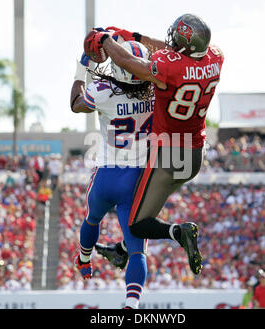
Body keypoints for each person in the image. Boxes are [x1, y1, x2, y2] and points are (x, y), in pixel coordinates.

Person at [89, 13, 224, 275]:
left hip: (168, 155)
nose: (170, 40)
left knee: (137, 223)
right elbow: (175, 55)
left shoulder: (168, 66)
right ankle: (121, 251)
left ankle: (179, 232)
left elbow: (127, 61)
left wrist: (105, 40)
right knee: (146, 205)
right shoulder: (216, 57)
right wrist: (135, 37)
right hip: (194, 154)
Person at [70, 40, 154, 309]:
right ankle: (132, 303)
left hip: (107, 174)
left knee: (92, 219)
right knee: (137, 249)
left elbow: (75, 104)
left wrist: (82, 67)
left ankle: (84, 259)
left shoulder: (103, 90)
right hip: (136, 180)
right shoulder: (156, 91)